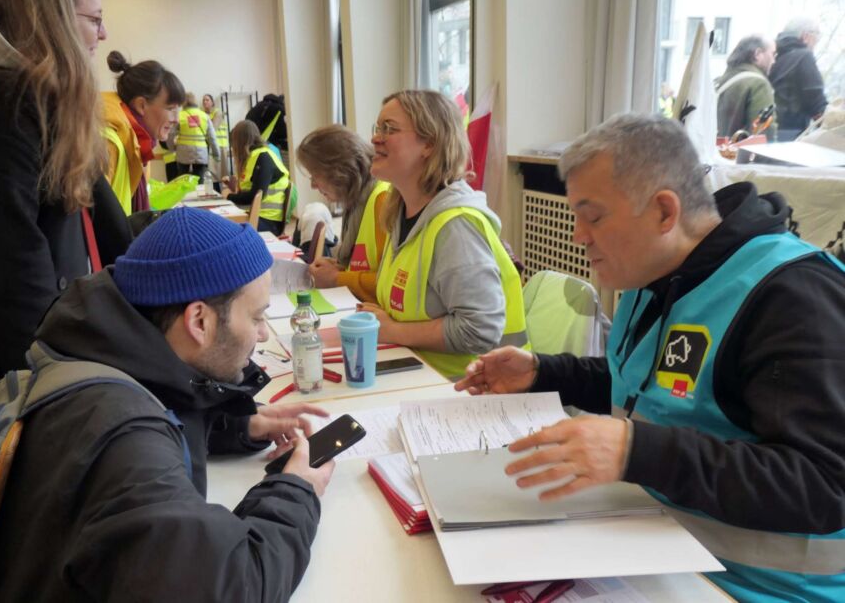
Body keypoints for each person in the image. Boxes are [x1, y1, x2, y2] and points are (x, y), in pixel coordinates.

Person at [455, 113, 845, 602]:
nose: (579, 235)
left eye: (592, 217)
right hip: (656, 550)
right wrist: (543, 372)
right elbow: (651, 390)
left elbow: (827, 485)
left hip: (754, 588)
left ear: (664, 211)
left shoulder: (794, 298)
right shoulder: (655, 273)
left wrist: (635, 452)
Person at [0, 207, 334, 600]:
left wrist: (237, 425)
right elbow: (232, 587)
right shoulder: (123, 442)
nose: (263, 335)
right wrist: (298, 488)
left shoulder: (103, 356)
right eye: (256, 317)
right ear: (198, 321)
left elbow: (167, 398)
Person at [0, 0, 132, 443]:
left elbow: (115, 235)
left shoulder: (48, 103)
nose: (104, 35)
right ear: (52, 20)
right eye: (95, 20)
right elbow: (21, 305)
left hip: (41, 376)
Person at [357, 90, 527, 379]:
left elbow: (480, 329)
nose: (375, 138)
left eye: (390, 129)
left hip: (473, 392)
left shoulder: (455, 226)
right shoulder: (400, 213)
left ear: (429, 143)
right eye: (378, 128)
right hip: (423, 378)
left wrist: (393, 330)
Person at [297, 124, 390, 302]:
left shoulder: (382, 200)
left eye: (315, 176)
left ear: (339, 172)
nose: (313, 186)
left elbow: (392, 284)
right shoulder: (357, 202)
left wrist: (337, 278)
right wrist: (340, 269)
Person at [102, 51, 185, 214]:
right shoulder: (108, 144)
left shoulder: (138, 146)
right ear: (141, 105)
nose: (177, 119)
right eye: (170, 109)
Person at [223, 120, 291, 236]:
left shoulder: (263, 157)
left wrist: (228, 196)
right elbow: (249, 190)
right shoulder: (253, 157)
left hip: (268, 220)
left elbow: (255, 196)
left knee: (224, 231)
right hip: (255, 215)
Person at [769, 17, 828, 141]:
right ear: (806, 36)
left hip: (769, 131)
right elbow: (815, 99)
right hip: (792, 134)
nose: (817, 42)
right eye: (817, 36)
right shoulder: (804, 56)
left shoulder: (773, 55)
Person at [714, 35, 777, 140]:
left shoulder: (720, 81)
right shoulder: (758, 84)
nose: (774, 61)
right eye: (773, 54)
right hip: (737, 154)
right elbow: (764, 132)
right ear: (757, 54)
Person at [173, 91, 219, 183]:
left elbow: (171, 134)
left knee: (182, 181)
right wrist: (216, 154)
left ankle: (185, 196)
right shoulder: (204, 116)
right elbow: (212, 137)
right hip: (200, 153)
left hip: (183, 152)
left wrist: (172, 148)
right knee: (200, 181)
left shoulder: (180, 116)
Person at [203, 93, 231, 181]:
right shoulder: (204, 115)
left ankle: (225, 193)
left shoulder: (218, 113)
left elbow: (213, 128)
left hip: (220, 146)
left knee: (222, 174)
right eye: (203, 100)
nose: (204, 102)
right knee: (212, 174)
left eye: (207, 100)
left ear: (212, 102)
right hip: (210, 146)